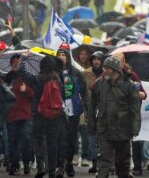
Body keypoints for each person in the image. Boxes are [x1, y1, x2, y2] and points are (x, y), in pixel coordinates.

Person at [87, 55, 142, 178]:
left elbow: (135, 108)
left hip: (123, 130)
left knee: (122, 163)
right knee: (104, 162)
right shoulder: (100, 84)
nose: (104, 70)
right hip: (104, 129)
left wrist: (135, 128)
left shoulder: (129, 85)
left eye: (107, 68)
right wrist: (91, 124)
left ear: (115, 69)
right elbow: (92, 105)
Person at [56, 44, 87, 177]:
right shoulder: (53, 72)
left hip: (73, 110)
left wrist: (85, 107)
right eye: (59, 55)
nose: (61, 57)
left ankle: (69, 163)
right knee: (59, 138)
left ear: (68, 57)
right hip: (58, 110)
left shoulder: (75, 72)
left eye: (63, 55)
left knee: (71, 138)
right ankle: (60, 164)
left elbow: (84, 91)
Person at [7, 55, 34, 175]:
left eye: (18, 63)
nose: (15, 65)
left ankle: (27, 162)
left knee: (26, 139)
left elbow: (35, 94)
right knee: (12, 141)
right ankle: (15, 164)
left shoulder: (28, 78)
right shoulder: (8, 79)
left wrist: (26, 90)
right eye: (13, 63)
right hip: (11, 115)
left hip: (25, 115)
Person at [82, 51, 105, 173]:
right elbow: (83, 89)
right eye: (94, 59)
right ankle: (94, 162)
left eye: (98, 59)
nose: (96, 61)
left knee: (102, 140)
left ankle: (103, 164)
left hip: (103, 108)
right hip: (90, 107)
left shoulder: (107, 73)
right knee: (91, 138)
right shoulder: (86, 73)